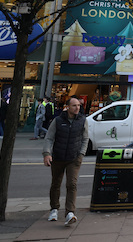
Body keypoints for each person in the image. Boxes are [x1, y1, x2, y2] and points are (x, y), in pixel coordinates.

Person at [42, 97, 89, 226]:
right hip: (58, 157)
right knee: (56, 183)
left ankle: (70, 212)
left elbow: (85, 138)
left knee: (72, 184)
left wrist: (81, 154)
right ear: (67, 107)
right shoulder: (57, 121)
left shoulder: (83, 121)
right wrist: (47, 153)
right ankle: (54, 209)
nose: (77, 108)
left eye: (78, 105)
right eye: (74, 105)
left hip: (74, 158)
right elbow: (49, 138)